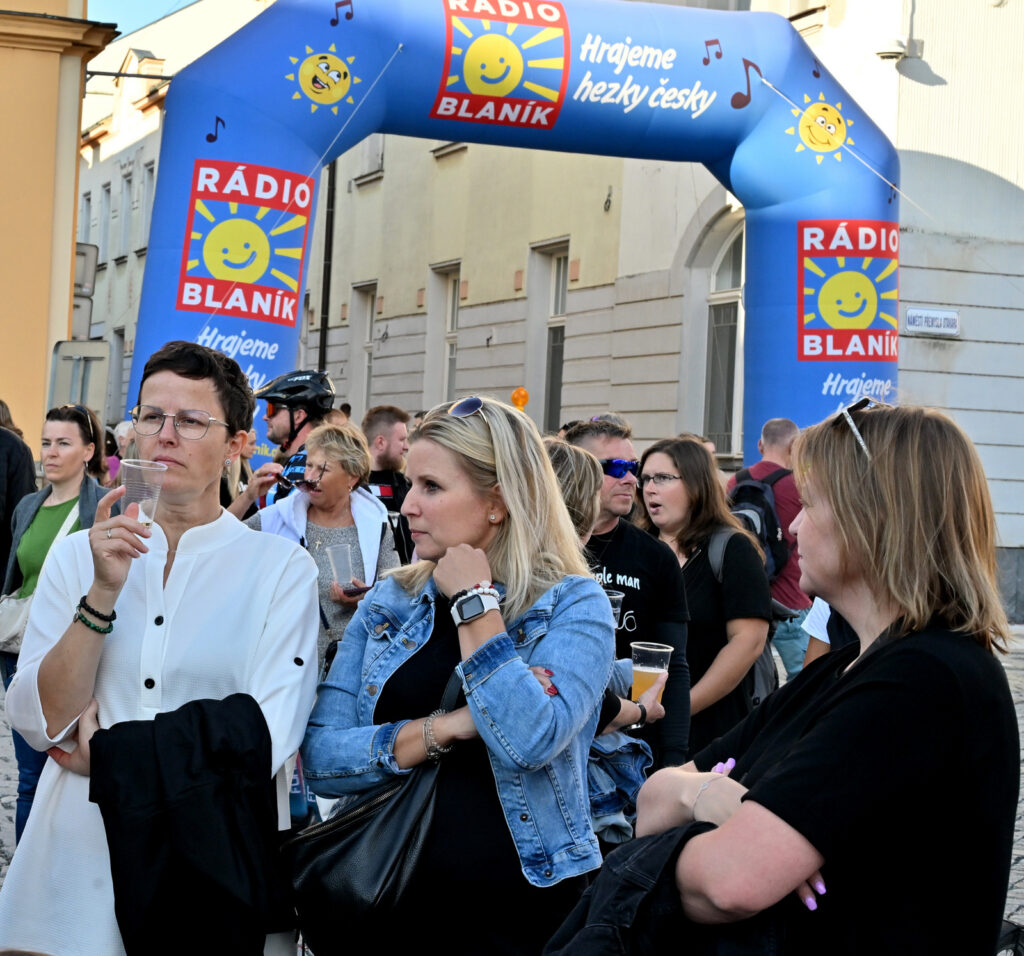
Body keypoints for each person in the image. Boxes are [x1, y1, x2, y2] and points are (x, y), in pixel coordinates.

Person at [635, 402, 1018, 955]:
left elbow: (728, 882)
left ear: (873, 519)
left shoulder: (923, 679)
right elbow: (651, 800)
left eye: (810, 503)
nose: (793, 526)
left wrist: (707, 813)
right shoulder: (843, 667)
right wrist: (709, 795)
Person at [0, 341, 319, 955]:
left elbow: (265, 735)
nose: (165, 435)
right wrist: (101, 594)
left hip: (210, 865)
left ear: (236, 444)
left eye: (191, 420)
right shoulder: (79, 556)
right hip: (78, 861)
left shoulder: (279, 568)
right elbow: (40, 723)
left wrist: (111, 757)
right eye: (151, 416)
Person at [302, 396, 614, 954]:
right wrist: (446, 728)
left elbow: (530, 739)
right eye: (410, 484)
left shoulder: (572, 604)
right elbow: (322, 760)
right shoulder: (390, 601)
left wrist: (474, 601)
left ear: (497, 501)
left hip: (521, 908)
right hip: (385, 897)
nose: (408, 506)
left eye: (431, 487)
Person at [1, 404, 105, 840]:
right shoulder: (28, 505)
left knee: (71, 769)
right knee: (29, 772)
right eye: (46, 443)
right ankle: (25, 867)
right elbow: (17, 575)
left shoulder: (103, 505)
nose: (51, 453)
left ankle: (66, 856)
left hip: (76, 651)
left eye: (64, 443)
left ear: (88, 451)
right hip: (21, 649)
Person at [565, 418, 690, 767]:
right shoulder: (545, 552)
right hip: (560, 741)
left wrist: (674, 758)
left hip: (634, 751)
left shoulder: (655, 556)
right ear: (580, 471)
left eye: (632, 467)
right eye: (616, 467)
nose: (631, 479)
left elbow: (674, 665)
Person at [637, 437, 771, 755]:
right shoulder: (637, 546)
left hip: (710, 732)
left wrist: (679, 709)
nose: (649, 489)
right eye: (645, 479)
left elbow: (748, 642)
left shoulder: (732, 548)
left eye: (662, 478)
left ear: (696, 484)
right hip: (635, 728)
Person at [246, 421, 398, 669]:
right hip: (281, 667)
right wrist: (248, 496)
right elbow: (219, 542)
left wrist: (366, 599)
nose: (310, 477)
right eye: (309, 466)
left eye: (323, 469)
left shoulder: (376, 528)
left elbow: (396, 598)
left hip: (348, 668)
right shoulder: (279, 518)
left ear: (352, 477)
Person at [727, 417, 811, 678]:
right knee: (804, 678)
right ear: (794, 446)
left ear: (760, 445)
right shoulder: (799, 484)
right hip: (791, 599)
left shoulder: (735, 482)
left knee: (752, 679)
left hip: (748, 600)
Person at [230, 368, 335, 515]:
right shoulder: (298, 461)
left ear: (298, 416)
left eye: (271, 409)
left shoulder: (308, 467)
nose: (265, 417)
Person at [362, 404, 414, 563]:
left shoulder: (406, 484)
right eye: (402, 440)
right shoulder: (352, 486)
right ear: (380, 442)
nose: (406, 447)